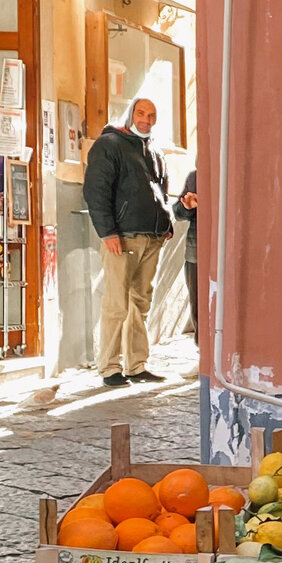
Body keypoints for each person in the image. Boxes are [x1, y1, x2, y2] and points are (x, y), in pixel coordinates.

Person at [83, 96, 172, 386]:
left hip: (152, 237)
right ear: (130, 114)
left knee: (140, 304)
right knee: (116, 303)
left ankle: (136, 365)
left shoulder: (154, 150)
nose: (146, 119)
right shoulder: (109, 145)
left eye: (152, 114)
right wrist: (108, 233)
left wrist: (167, 223)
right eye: (141, 113)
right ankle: (109, 367)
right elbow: (96, 191)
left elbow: (161, 191)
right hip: (122, 238)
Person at [179, 167, 198, 340]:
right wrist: (188, 207)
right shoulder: (194, 177)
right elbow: (178, 212)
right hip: (196, 252)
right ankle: (203, 349)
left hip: (226, 254)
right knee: (198, 305)